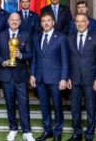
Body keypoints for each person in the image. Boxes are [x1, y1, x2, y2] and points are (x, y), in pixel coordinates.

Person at [0, 12, 35, 141]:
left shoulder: (26, 35)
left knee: (24, 103)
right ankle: (13, 129)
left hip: (20, 76)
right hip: (6, 76)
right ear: (8, 21)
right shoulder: (1, 35)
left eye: (17, 20)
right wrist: (3, 62)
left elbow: (30, 54)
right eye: (12, 19)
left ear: (20, 22)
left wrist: (21, 55)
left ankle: (27, 131)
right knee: (10, 104)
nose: (14, 22)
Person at [30, 12, 69, 141]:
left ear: (53, 22)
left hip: (55, 79)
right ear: (41, 23)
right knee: (44, 106)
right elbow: (35, 58)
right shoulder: (37, 37)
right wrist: (32, 75)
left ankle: (57, 133)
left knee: (57, 106)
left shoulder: (61, 38)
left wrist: (63, 78)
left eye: (48, 20)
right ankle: (47, 131)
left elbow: (65, 60)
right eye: (43, 21)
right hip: (40, 78)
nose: (46, 23)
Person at [66, 13, 96, 141]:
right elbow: (67, 60)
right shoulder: (69, 38)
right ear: (74, 24)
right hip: (74, 79)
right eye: (77, 21)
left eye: (82, 21)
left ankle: (89, 135)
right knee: (75, 109)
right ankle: (77, 133)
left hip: (90, 79)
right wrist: (68, 77)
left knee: (90, 109)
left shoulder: (95, 37)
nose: (80, 24)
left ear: (87, 23)